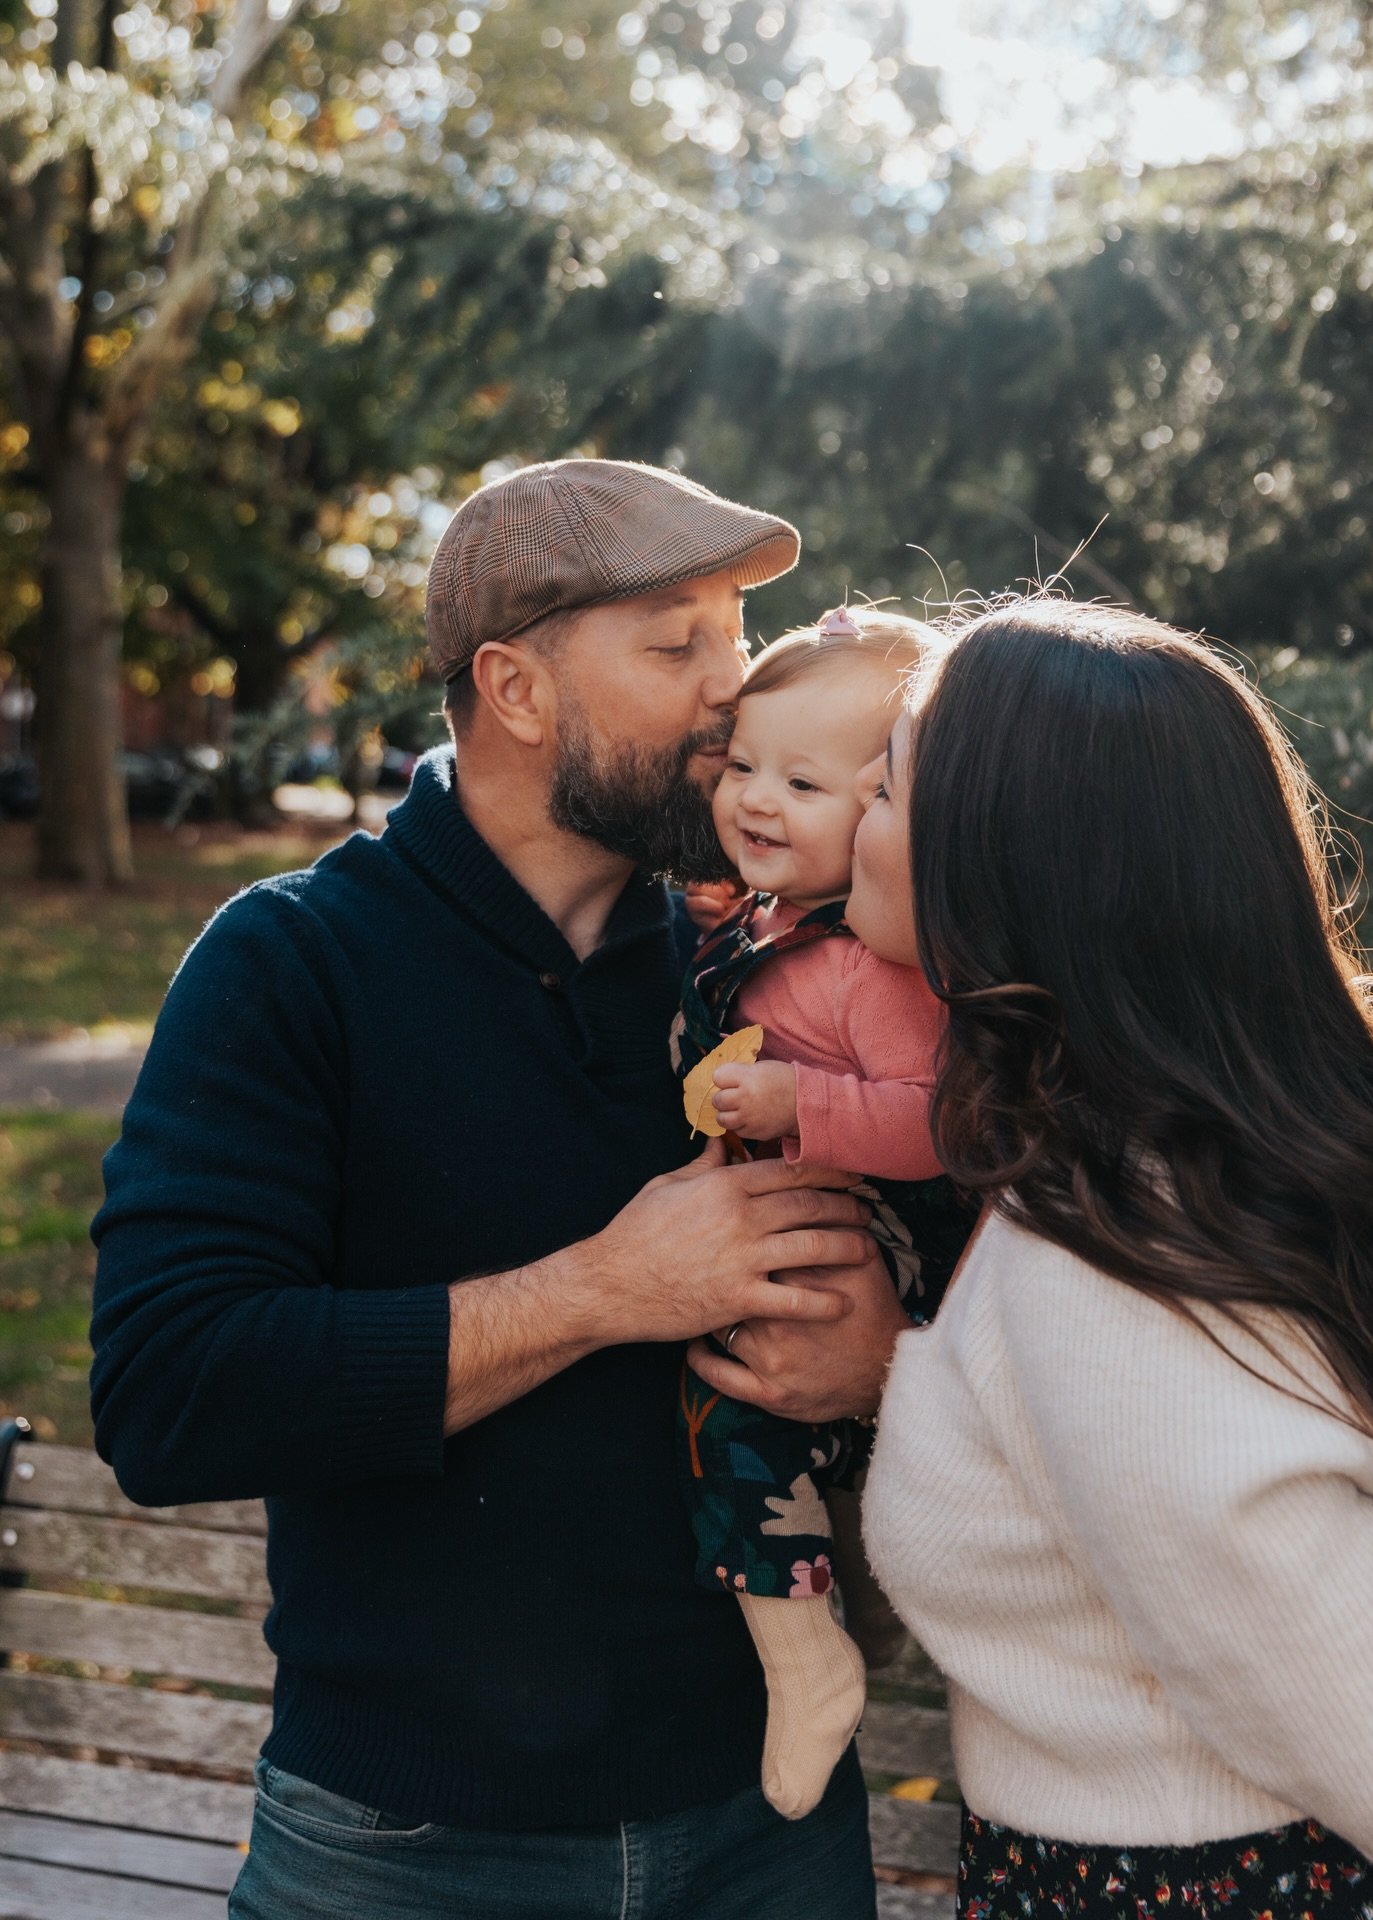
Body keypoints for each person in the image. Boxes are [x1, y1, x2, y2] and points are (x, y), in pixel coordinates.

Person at [89, 458, 901, 1920]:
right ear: (516, 689)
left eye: (735, 634)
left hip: (766, 1827)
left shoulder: (776, 960)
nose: (734, 688)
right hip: (404, 1850)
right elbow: (172, 1391)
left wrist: (885, 1365)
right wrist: (602, 1291)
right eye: (677, 644)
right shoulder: (291, 964)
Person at [852, 597, 1373, 1917]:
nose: (850, 824)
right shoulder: (1132, 1174)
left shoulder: (1118, 1260)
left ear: (995, 866)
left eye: (882, 790)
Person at [673, 604, 973, 1823]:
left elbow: (936, 1118)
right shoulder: (765, 919)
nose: (754, 797)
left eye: (800, 781)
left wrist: (803, 1096)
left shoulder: (874, 964)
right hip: (793, 1198)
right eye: (742, 765)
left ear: (885, 814)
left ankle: (807, 1654)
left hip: (878, 1221)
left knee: (738, 1394)